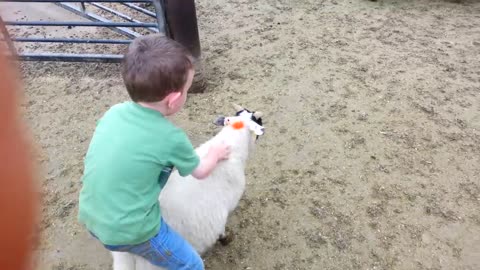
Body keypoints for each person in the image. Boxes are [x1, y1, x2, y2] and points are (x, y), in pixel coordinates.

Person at [78, 34, 230, 270]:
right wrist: (215, 154)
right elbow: (200, 172)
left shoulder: (113, 113)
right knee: (191, 264)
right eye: (188, 89)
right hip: (133, 230)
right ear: (174, 100)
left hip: (92, 218)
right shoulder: (170, 137)